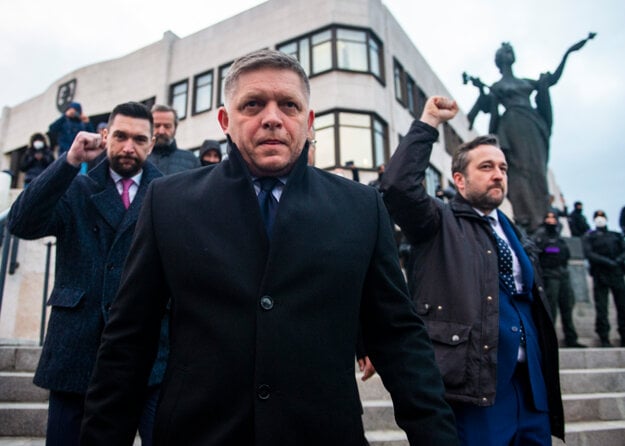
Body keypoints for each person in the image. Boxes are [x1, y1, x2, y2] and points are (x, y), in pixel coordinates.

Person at [80, 49, 458, 445]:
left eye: (289, 105)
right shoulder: (168, 202)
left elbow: (399, 337)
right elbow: (128, 340)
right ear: (226, 120)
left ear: (309, 122)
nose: (273, 117)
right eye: (254, 104)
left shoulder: (362, 208)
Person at [381, 96, 564, 445]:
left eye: (502, 168)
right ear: (459, 181)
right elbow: (397, 186)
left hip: (531, 388)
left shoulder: (514, 232)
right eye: (486, 167)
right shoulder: (438, 222)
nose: (497, 174)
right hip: (477, 387)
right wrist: (429, 122)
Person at [8, 102, 166, 446]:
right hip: (77, 347)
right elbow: (21, 223)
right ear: (105, 135)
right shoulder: (75, 187)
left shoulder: (169, 192)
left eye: (139, 139)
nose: (128, 147)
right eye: (120, 136)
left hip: (150, 351)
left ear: (151, 144)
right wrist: (68, 161)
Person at [465, 34, 595, 232]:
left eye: (510, 52)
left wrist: (568, 52)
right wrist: (479, 93)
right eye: (505, 53)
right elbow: (478, 110)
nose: (509, 55)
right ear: (500, 60)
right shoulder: (497, 87)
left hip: (532, 125)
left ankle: (544, 217)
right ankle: (526, 218)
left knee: (537, 172)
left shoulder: (526, 82)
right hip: (511, 128)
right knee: (518, 171)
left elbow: (552, 80)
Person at [532, 211, 585, 347]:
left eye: (553, 218)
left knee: (567, 307)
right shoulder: (539, 237)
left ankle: (571, 338)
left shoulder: (559, 238)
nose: (551, 221)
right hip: (549, 277)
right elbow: (537, 256)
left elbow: (565, 256)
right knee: (551, 309)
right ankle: (549, 341)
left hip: (562, 275)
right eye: (548, 218)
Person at [582, 210, 625, 347]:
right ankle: (604, 336)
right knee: (602, 308)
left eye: (602, 217)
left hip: (616, 273)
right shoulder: (590, 236)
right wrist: (607, 262)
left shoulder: (615, 235)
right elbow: (589, 253)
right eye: (597, 217)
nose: (600, 219)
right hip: (600, 274)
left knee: (622, 306)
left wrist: (617, 261)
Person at [147, 104, 201, 174]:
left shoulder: (192, 160)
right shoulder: (140, 158)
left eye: (167, 126)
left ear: (175, 128)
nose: (161, 131)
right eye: (157, 126)